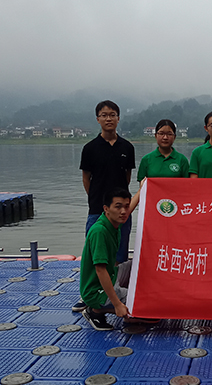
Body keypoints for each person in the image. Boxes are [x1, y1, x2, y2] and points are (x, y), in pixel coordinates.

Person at [75, 100, 135, 312]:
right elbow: (86, 178)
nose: (108, 118)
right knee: (95, 255)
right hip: (97, 211)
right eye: (104, 115)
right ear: (98, 119)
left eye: (112, 115)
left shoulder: (127, 147)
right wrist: (97, 201)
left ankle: (114, 294)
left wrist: (119, 206)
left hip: (121, 211)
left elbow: (127, 178)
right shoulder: (89, 148)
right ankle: (90, 297)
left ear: (118, 118)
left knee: (119, 254)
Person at [80, 188, 154, 330]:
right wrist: (117, 305)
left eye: (126, 206)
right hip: (96, 291)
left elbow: (128, 209)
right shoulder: (99, 231)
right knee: (150, 312)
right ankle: (96, 310)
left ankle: (126, 303)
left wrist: (143, 188)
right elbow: (100, 270)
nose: (123, 211)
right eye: (118, 207)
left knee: (140, 264)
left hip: (113, 275)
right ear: (106, 209)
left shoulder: (113, 222)